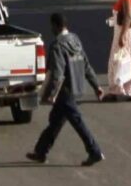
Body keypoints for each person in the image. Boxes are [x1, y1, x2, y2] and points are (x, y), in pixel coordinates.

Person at [26, 13, 105, 167]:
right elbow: (86, 64)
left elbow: (58, 73)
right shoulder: (75, 39)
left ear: (55, 26)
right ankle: (41, 151)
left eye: (52, 26)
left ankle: (94, 151)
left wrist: (52, 94)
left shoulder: (57, 45)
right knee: (55, 121)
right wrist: (97, 86)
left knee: (77, 121)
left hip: (64, 92)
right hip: (76, 86)